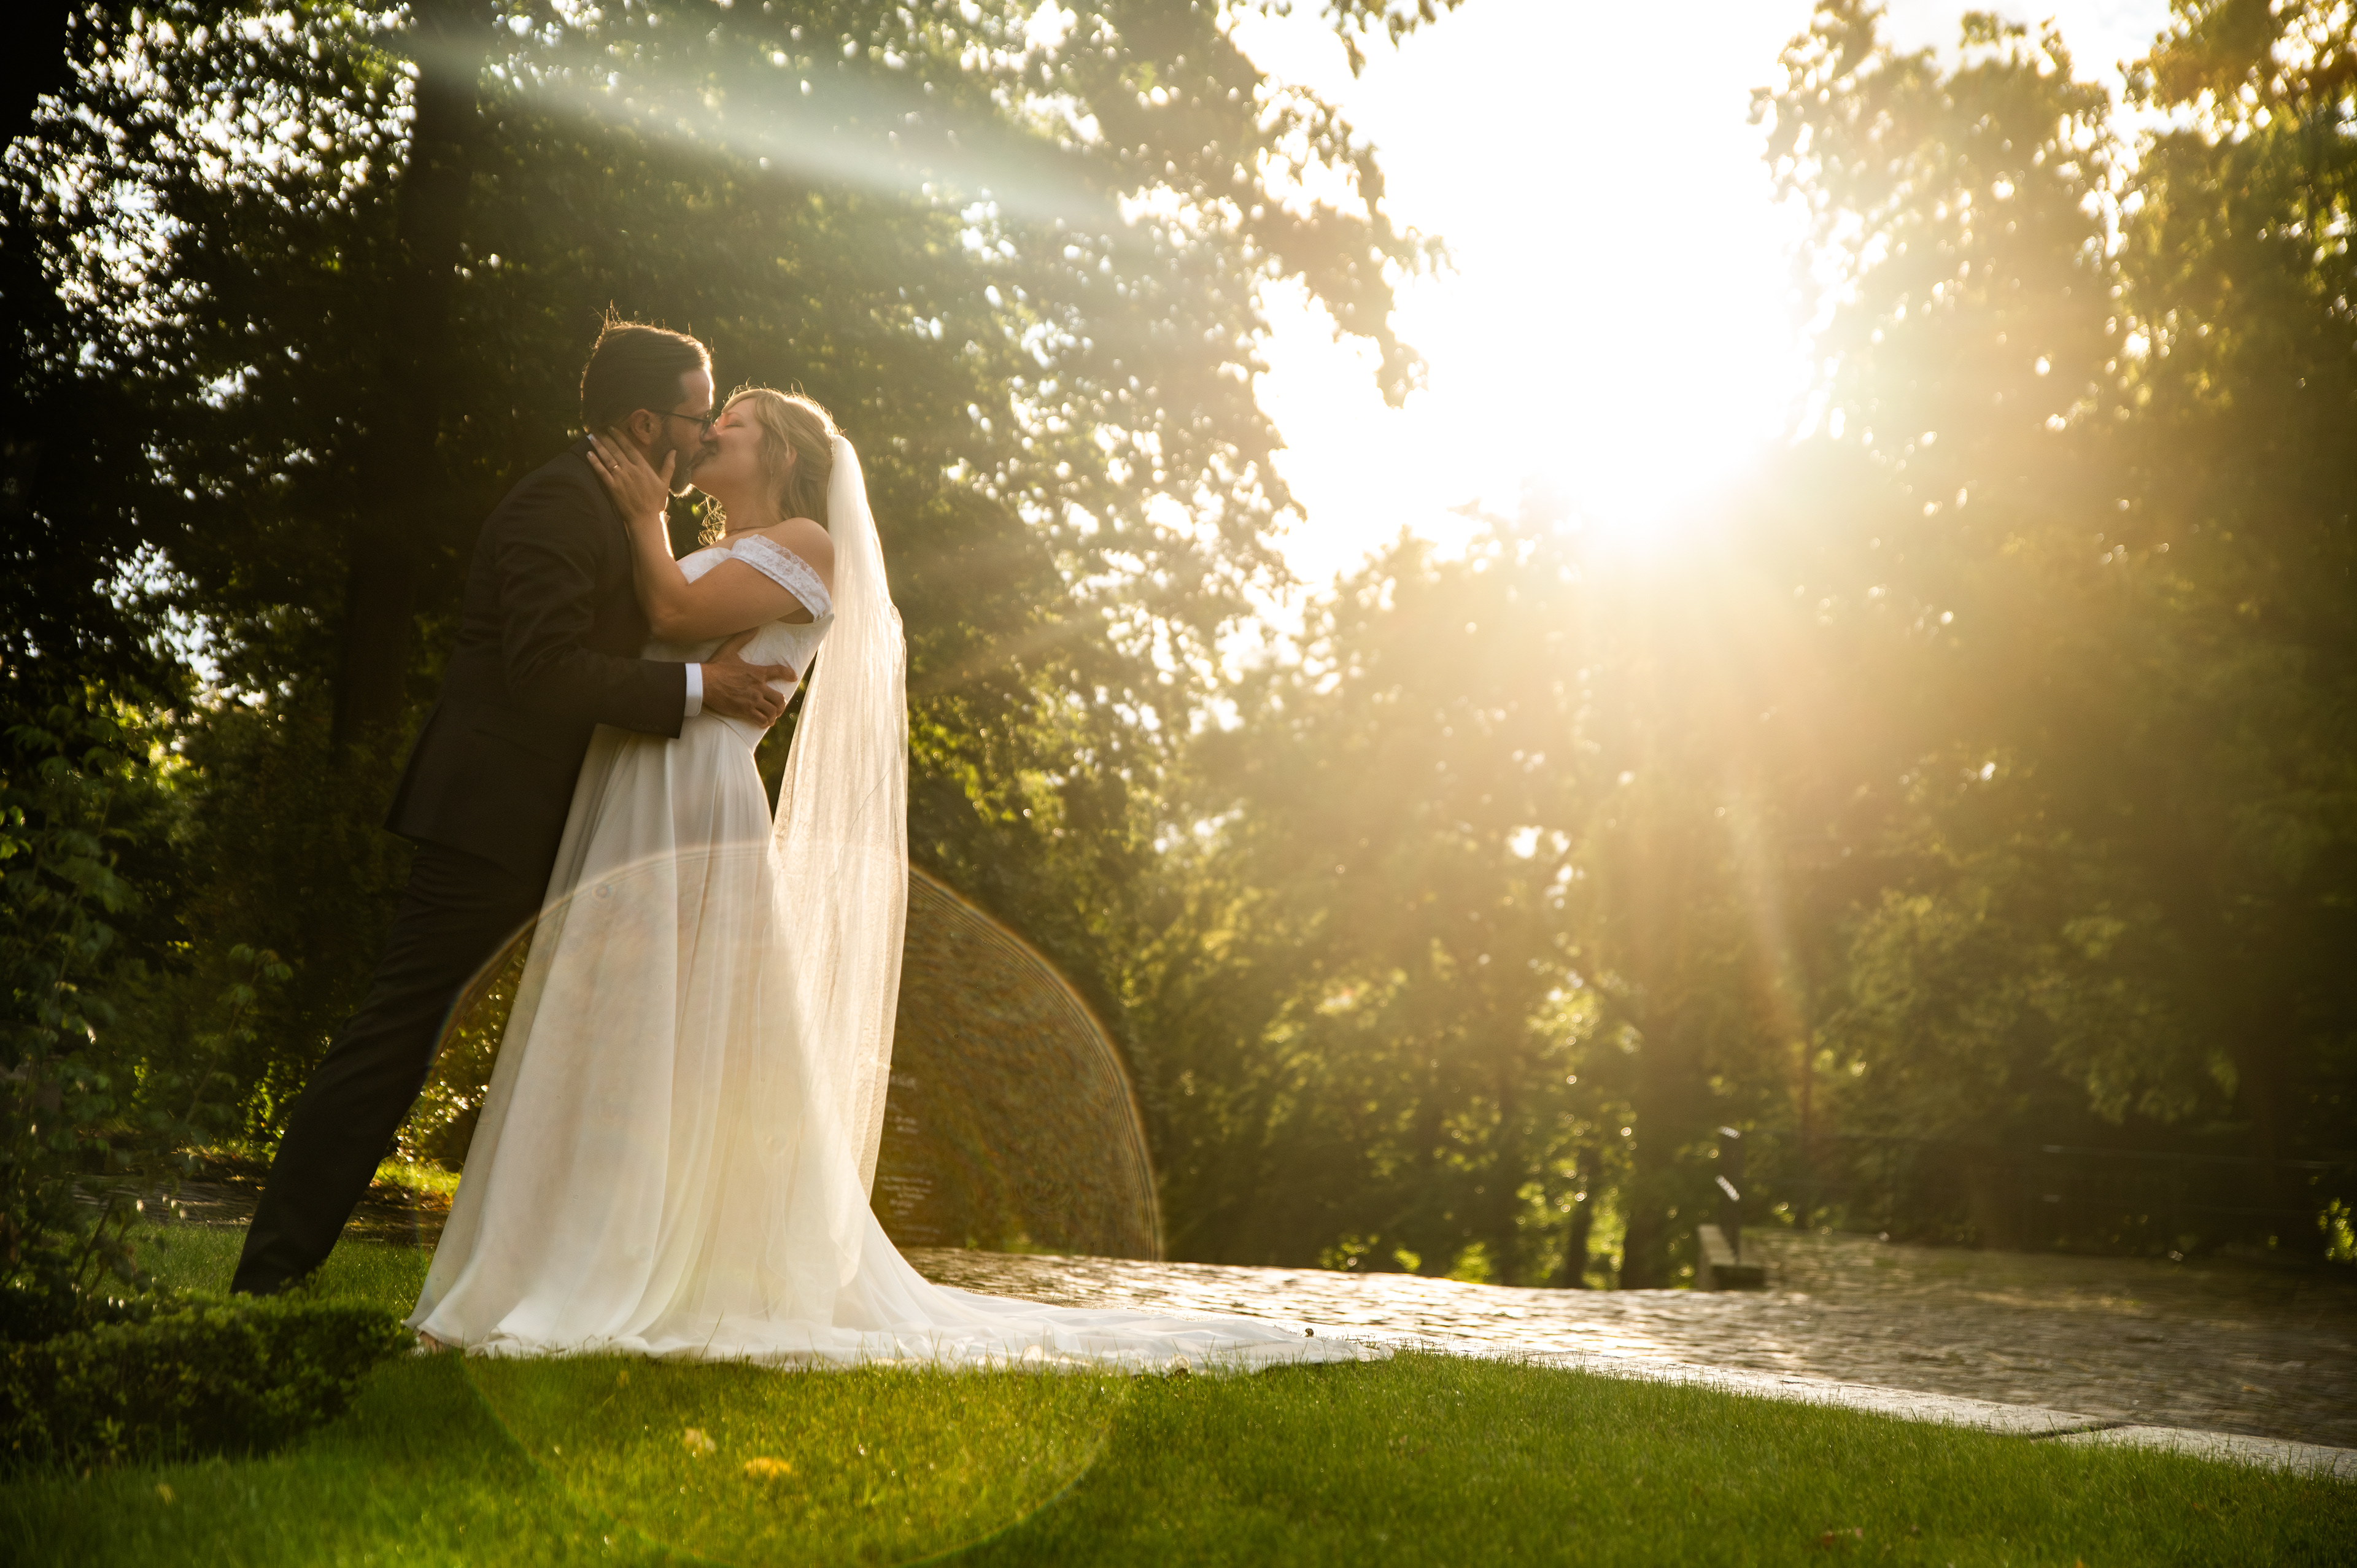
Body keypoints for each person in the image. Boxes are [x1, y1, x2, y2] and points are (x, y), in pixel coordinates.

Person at [406, 385, 1364, 1370]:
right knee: (605, 1022)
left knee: (666, 1030)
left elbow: (672, 609)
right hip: (629, 785)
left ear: (774, 448)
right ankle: (539, 1262)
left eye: (728, 423)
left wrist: (643, 513)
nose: (708, 433)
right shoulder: (702, 545)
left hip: (691, 796)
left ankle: (623, 1268)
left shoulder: (808, 547)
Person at [230, 320, 795, 1297]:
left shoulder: (623, 510)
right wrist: (702, 690)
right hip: (495, 817)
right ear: (643, 419)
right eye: (699, 418)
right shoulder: (558, 506)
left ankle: (588, 1270)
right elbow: (543, 673)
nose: (705, 438)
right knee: (398, 1037)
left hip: (585, 820)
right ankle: (274, 1267)